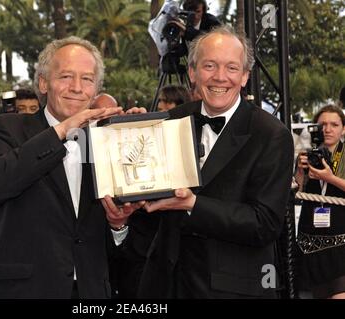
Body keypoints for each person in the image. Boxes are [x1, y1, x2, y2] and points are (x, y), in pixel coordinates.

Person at [107, 25, 294, 298]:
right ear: (192, 73)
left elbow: (263, 224)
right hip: (163, 287)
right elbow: (148, 210)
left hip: (231, 292)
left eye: (231, 68)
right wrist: (120, 221)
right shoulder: (167, 122)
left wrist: (193, 204)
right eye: (209, 65)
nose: (220, 77)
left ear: (244, 77)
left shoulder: (271, 134)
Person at [0, 36, 141, 299]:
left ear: (95, 90)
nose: (77, 87)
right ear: (43, 83)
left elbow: (122, 244)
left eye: (87, 79)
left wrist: (118, 225)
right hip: (23, 292)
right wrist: (62, 130)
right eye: (66, 76)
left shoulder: (106, 141)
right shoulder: (8, 128)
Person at [295, 104, 345, 299]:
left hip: (341, 243)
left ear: (343, 128)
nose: (328, 129)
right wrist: (300, 171)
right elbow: (295, 192)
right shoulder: (308, 155)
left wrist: (330, 178)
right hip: (310, 242)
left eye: (334, 124)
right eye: (323, 124)